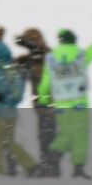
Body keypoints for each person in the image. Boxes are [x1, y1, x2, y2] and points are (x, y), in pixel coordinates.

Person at [38, 19, 92, 179]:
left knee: (66, 133)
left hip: (60, 104)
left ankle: (53, 156)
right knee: (80, 135)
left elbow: (45, 82)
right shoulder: (80, 55)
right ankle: (77, 167)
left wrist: (43, 100)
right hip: (79, 103)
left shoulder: (51, 59)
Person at [0, 38, 34, 176]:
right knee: (8, 142)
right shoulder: (13, 70)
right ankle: (30, 164)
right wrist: (8, 100)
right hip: (10, 114)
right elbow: (19, 94)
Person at [14, 27, 59, 176]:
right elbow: (25, 64)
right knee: (45, 135)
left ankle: (50, 167)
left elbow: (38, 55)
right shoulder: (36, 56)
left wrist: (26, 46)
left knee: (47, 135)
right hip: (41, 103)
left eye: (31, 39)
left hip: (49, 102)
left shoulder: (46, 54)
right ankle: (49, 165)